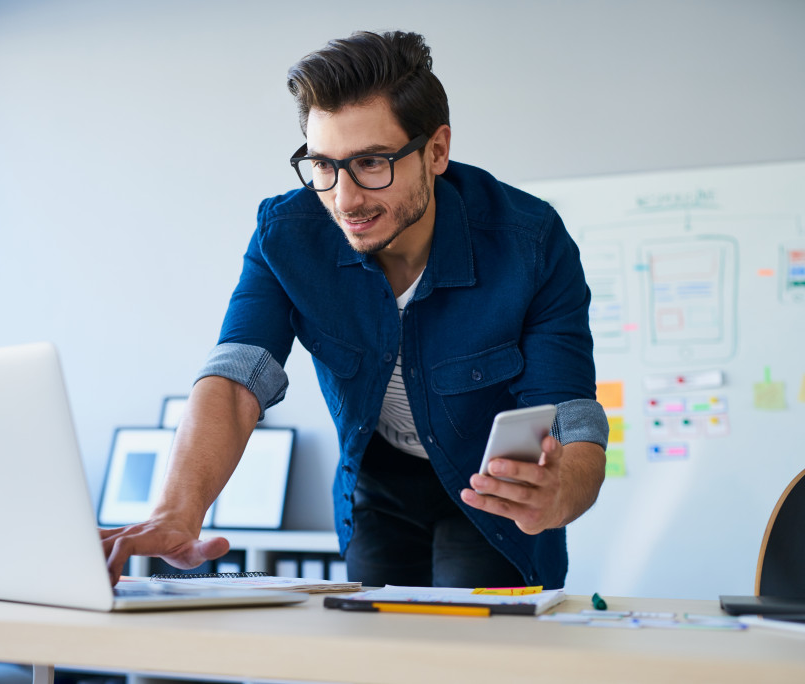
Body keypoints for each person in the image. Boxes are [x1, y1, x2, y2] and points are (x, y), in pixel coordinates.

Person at [101, 30, 608, 589]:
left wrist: (565, 492)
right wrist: (176, 509)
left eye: (370, 162)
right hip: (379, 483)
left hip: (490, 490)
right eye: (323, 165)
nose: (344, 200)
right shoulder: (286, 235)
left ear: (436, 151)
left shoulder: (530, 242)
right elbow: (236, 377)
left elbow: (572, 416)